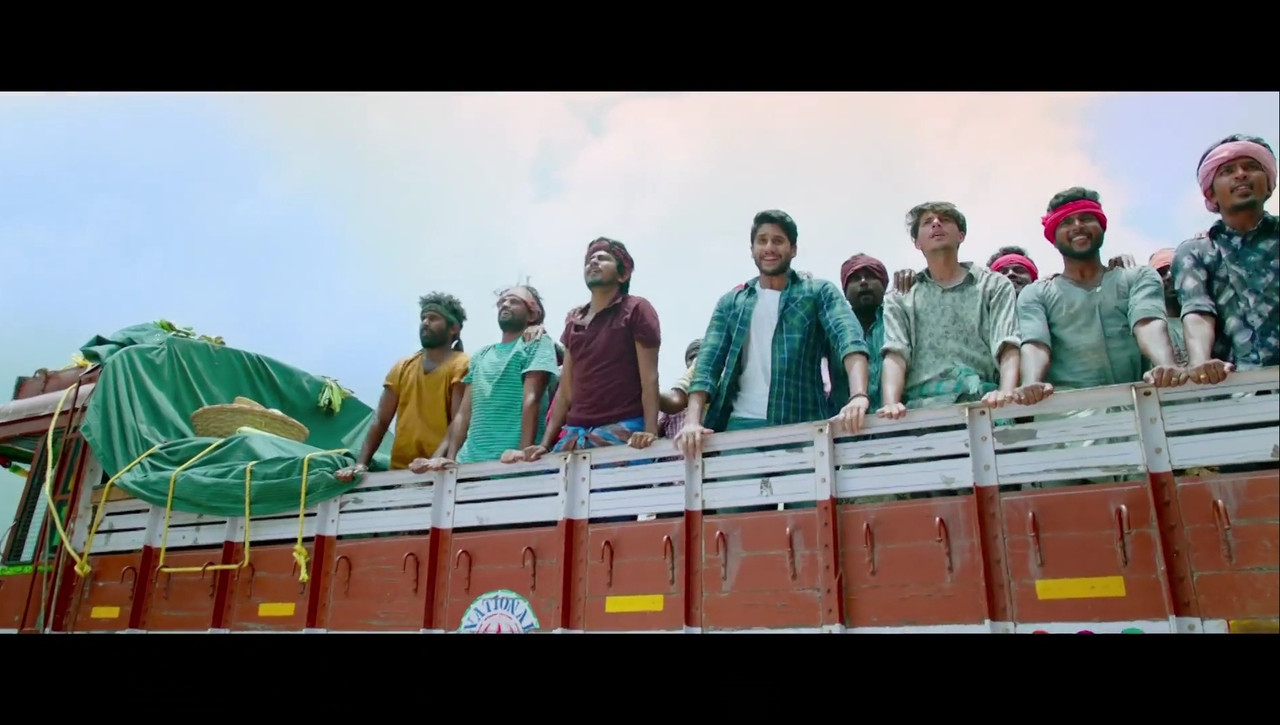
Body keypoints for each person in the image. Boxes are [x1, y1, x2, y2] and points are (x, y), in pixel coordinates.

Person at [675, 209, 871, 459]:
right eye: (762, 240)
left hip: (802, 424)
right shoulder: (732, 303)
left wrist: (858, 396)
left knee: (809, 486)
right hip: (741, 426)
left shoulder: (817, 292)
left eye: (778, 241)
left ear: (793, 249)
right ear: (752, 249)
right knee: (738, 487)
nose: (769, 247)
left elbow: (849, 340)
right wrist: (692, 421)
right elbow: (707, 365)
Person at [1013, 187, 1186, 408]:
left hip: (1141, 406)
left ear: (1102, 227)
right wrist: (1031, 383)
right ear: (1053, 239)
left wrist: (1166, 365)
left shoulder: (1138, 278)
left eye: (1086, 218)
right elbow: (1036, 343)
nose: (1078, 226)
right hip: (1071, 417)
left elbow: (1148, 322)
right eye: (1066, 222)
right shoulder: (1036, 294)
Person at [878, 201, 1022, 418]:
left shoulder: (994, 285)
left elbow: (1007, 343)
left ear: (961, 235)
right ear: (917, 242)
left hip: (985, 405)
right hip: (922, 412)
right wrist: (891, 405)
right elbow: (896, 353)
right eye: (927, 222)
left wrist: (1006, 394)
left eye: (944, 220)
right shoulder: (900, 297)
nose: (936, 224)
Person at [523, 237, 662, 460]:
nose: (593, 262)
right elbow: (565, 390)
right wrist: (545, 445)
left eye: (603, 258)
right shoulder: (575, 321)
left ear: (623, 274)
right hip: (574, 434)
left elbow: (650, 378)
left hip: (623, 429)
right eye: (589, 260)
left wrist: (650, 432)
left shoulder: (636, 309)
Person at [412, 285, 559, 469]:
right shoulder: (480, 355)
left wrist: (523, 454)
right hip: (468, 463)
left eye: (514, 301)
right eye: (502, 301)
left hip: (510, 462)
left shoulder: (537, 343)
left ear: (532, 315)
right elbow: (463, 413)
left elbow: (532, 399)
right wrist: (452, 460)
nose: (505, 304)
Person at [1172, 133, 1278, 380]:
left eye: (1251, 167)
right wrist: (1200, 362)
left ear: (1269, 185)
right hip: (1236, 390)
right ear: (1211, 194)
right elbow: (1198, 311)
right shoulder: (1195, 252)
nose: (1241, 174)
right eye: (1227, 171)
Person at [336, 293, 470, 481]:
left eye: (433, 318)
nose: (425, 323)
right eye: (423, 318)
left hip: (440, 470)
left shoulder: (462, 364)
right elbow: (381, 421)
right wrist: (361, 464)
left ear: (453, 328)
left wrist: (433, 462)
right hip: (400, 470)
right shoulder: (403, 366)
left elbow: (459, 421)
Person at [827, 253, 889, 410]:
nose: (863, 282)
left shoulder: (898, 320)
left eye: (871, 276)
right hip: (845, 419)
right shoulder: (831, 329)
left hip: (896, 416)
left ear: (884, 284)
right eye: (855, 279)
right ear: (845, 292)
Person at [1148, 248, 1188, 366]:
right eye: (1162, 272)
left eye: (1175, 270)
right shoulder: (1150, 328)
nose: (1169, 276)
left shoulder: (1207, 320)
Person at [658, 339, 702, 439]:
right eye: (692, 357)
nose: (697, 362)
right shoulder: (669, 401)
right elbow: (654, 431)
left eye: (702, 357)